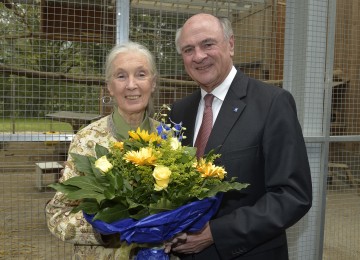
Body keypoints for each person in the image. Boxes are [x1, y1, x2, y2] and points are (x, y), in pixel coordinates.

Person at [166, 13, 312, 260]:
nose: (198, 56)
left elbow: (292, 195)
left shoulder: (272, 103)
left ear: (230, 45)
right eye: (188, 49)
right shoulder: (178, 112)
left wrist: (216, 233)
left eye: (208, 44)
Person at [45, 41, 160, 259]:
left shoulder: (168, 139)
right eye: (121, 76)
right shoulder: (87, 139)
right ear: (109, 86)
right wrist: (102, 228)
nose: (131, 85)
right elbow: (57, 215)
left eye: (141, 74)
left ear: (152, 83)